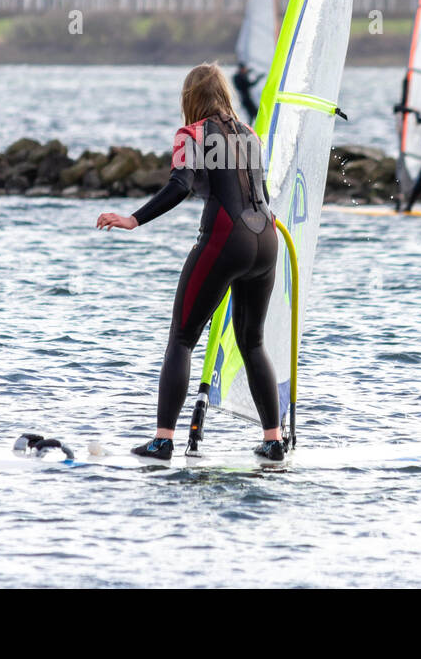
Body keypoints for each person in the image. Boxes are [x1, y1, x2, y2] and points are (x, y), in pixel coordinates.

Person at [96, 63, 284, 461]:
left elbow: (181, 184)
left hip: (226, 239)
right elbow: (262, 193)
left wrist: (133, 219)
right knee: (252, 341)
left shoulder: (191, 134)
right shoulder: (250, 135)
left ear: (190, 99)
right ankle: (273, 441)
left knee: (182, 339)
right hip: (266, 240)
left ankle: (163, 440)